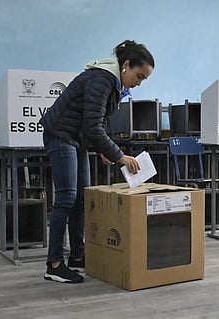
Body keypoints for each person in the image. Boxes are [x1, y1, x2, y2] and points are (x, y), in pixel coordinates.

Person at [39, 40, 155, 283]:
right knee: (66, 198)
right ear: (126, 65)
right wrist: (118, 155)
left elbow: (97, 119)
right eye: (139, 76)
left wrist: (104, 149)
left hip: (76, 138)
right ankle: (54, 263)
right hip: (60, 134)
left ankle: (77, 255)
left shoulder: (113, 84)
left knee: (83, 198)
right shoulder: (102, 79)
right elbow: (92, 125)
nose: (139, 82)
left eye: (144, 79)